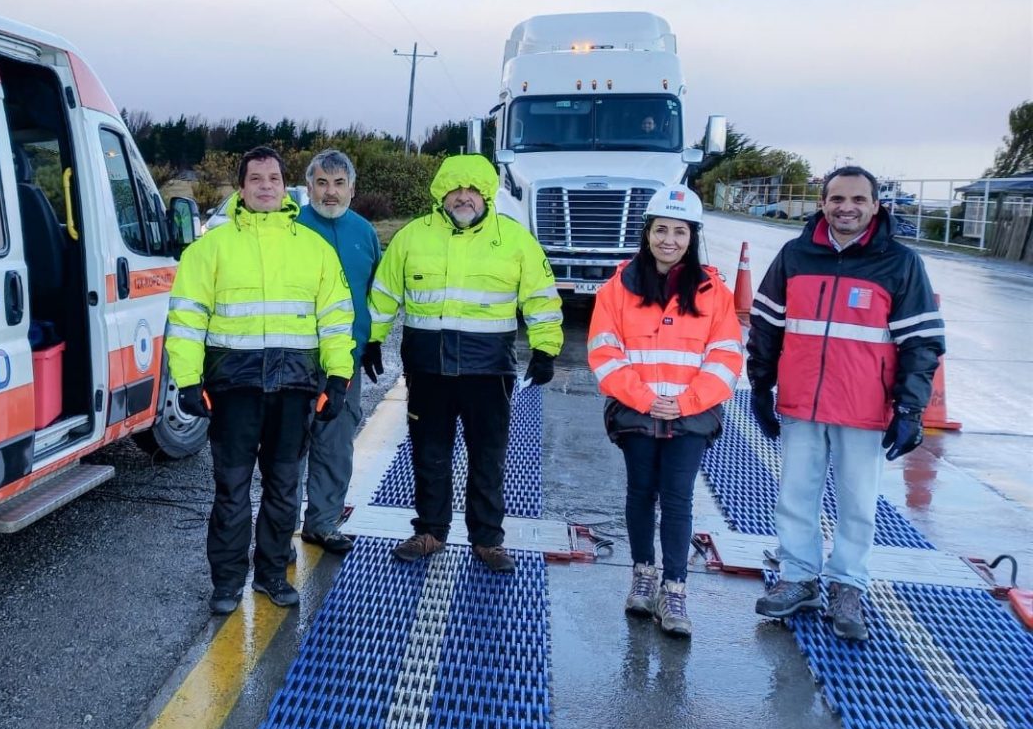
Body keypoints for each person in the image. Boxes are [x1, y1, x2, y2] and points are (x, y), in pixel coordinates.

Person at [748, 165, 946, 641]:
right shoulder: (795, 255)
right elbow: (767, 324)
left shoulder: (899, 263)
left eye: (858, 199)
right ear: (823, 203)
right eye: (837, 198)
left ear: (876, 205)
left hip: (864, 407)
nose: (847, 208)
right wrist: (760, 385)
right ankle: (799, 578)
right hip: (800, 402)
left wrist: (910, 409)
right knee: (795, 495)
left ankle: (848, 584)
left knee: (857, 503)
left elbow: (921, 342)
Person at [165, 146, 356, 615]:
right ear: (242, 187)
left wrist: (338, 377)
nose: (266, 186)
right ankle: (227, 581)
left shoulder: (314, 248)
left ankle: (271, 574)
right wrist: (187, 380)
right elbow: (187, 319)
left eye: (273, 178)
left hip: (294, 387)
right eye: (256, 179)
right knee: (231, 490)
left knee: (283, 488)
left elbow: (336, 319)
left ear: (286, 186)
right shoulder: (210, 248)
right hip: (235, 388)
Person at [368, 154, 563, 573]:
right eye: (455, 189)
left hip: (488, 373)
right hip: (428, 371)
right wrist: (372, 340)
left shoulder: (515, 240)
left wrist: (546, 349)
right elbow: (383, 295)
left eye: (472, 189)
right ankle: (430, 531)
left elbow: (541, 299)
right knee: (429, 455)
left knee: (488, 458)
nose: (463, 197)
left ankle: (488, 540)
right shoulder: (411, 238)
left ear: (486, 194)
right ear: (441, 194)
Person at [587, 186, 744, 636]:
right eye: (661, 230)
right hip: (637, 413)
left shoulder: (714, 292)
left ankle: (674, 590)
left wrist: (685, 402)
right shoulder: (617, 288)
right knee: (640, 493)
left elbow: (726, 356)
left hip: (690, 417)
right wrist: (643, 398)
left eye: (679, 231)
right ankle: (643, 575)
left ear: (692, 236)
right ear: (647, 233)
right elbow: (604, 351)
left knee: (677, 497)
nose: (669, 240)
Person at [296, 149, 383, 556]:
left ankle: (322, 523)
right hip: (296, 358)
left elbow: (375, 294)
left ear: (352, 188)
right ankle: (278, 531)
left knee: (335, 444)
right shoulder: (293, 229)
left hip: (345, 360)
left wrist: (372, 340)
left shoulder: (364, 233)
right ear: (308, 187)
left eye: (339, 183)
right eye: (322, 183)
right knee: (288, 448)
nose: (330, 192)